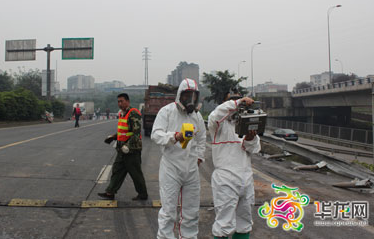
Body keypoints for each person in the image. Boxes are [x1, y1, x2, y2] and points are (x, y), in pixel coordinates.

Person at [151, 78, 206, 239]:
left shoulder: (196, 116)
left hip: (191, 169)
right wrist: (174, 136)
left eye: (193, 96)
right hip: (171, 167)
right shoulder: (167, 111)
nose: (191, 100)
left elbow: (202, 138)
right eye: (187, 96)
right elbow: (156, 134)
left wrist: (199, 158)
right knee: (169, 212)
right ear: (180, 95)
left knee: (191, 212)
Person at [208, 92, 261, 239]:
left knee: (244, 223)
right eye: (232, 102)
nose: (237, 106)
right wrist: (237, 102)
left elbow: (254, 149)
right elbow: (216, 115)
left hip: (246, 177)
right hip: (225, 178)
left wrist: (250, 138)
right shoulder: (217, 126)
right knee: (224, 223)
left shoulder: (245, 125)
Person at [98, 93, 148, 201]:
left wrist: (127, 146)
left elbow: (136, 133)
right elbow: (123, 131)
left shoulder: (133, 113)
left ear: (127, 101)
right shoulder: (122, 114)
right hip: (122, 149)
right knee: (117, 170)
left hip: (132, 149)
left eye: (122, 101)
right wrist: (113, 137)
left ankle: (143, 194)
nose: (120, 104)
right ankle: (110, 192)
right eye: (118, 101)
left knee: (135, 173)